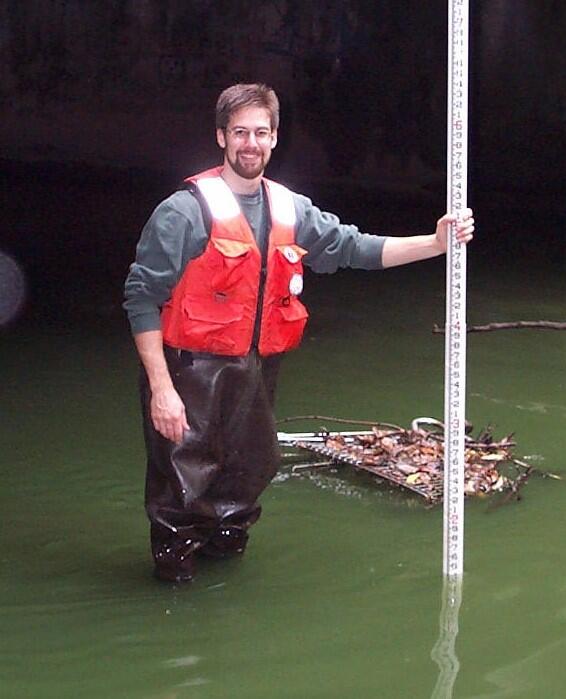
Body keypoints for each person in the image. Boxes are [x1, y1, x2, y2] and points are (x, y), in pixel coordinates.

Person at [124, 83, 474, 583]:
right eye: (239, 132)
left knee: (244, 482)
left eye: (260, 133)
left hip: (255, 372)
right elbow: (140, 297)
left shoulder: (290, 209)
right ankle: (174, 598)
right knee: (182, 492)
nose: (250, 143)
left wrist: (437, 243)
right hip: (188, 374)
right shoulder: (182, 212)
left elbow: (357, 248)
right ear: (221, 137)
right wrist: (162, 389)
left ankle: (225, 580)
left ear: (274, 138)